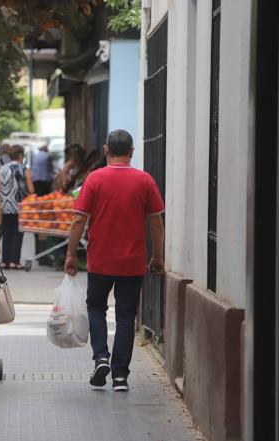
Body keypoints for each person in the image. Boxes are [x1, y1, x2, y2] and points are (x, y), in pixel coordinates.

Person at [65, 129, 165, 392]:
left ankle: (101, 358)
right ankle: (120, 376)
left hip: (100, 261)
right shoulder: (145, 181)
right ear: (132, 151)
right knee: (125, 316)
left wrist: (71, 254)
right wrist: (158, 256)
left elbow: (78, 219)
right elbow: (156, 222)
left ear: (106, 150)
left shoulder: (94, 179)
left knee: (96, 308)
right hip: (133, 263)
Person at [0, 144, 35, 270]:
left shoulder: (2, 169)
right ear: (20, 156)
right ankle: (15, 261)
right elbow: (31, 189)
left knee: (7, 232)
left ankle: (5, 261)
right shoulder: (24, 170)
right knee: (18, 233)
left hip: (6, 206)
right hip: (21, 206)